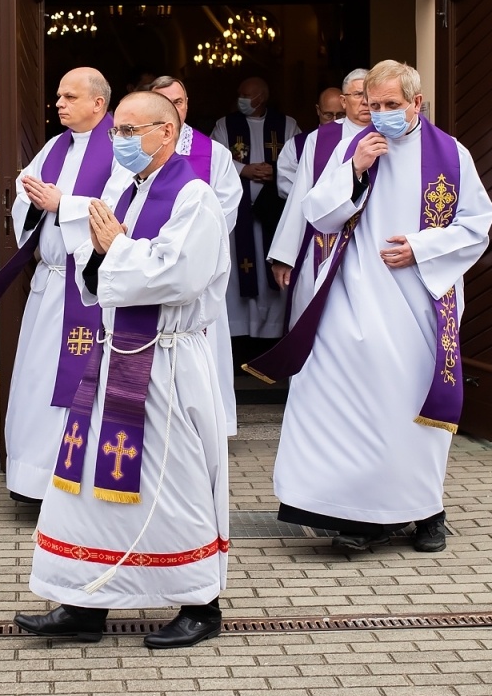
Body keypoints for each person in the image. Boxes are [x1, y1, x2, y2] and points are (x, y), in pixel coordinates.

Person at [15, 91, 231, 649]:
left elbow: (179, 276)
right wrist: (103, 250)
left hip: (168, 356)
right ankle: (85, 601)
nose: (121, 142)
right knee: (86, 479)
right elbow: (96, 262)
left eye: (132, 131)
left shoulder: (194, 196)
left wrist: (116, 248)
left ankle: (199, 601)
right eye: (118, 132)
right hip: (115, 353)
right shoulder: (125, 191)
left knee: (171, 478)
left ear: (167, 132)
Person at [268, 62, 492, 553]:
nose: (383, 115)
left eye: (394, 105)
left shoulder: (451, 155)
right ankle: (360, 514)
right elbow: (318, 213)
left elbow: (478, 224)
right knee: (351, 406)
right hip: (351, 295)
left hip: (418, 300)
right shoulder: (354, 148)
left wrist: (421, 247)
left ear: (417, 104)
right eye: (375, 106)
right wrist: (354, 170)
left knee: (412, 409)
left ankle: (427, 510)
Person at [0, 68, 116, 503]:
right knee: (35, 377)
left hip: (86, 288)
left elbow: (121, 206)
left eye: (70, 97)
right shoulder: (55, 147)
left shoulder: (119, 149)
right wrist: (31, 196)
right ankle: (32, 479)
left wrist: (61, 204)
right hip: (50, 284)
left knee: (75, 384)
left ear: (98, 104)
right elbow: (25, 191)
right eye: (58, 95)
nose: (59, 104)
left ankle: (72, 480)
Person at [148, 75, 241, 435]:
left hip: (196, 273)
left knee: (205, 348)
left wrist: (189, 250)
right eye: (165, 101)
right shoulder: (135, 147)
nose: (175, 108)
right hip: (147, 268)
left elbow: (226, 208)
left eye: (180, 101)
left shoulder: (213, 153)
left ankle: (210, 424)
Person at [268, 70, 370, 329]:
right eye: (359, 94)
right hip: (325, 243)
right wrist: (284, 256)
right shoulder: (320, 139)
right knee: (318, 321)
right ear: (344, 100)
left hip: (373, 244)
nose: (367, 101)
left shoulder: (393, 135)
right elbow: (299, 196)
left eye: (372, 94)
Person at [210, 77, 298, 357]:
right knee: (240, 273)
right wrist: (243, 170)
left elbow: (300, 160)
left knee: (272, 274)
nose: (241, 100)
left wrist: (276, 172)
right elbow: (215, 159)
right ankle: (241, 337)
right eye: (240, 95)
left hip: (275, 213)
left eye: (247, 95)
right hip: (241, 217)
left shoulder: (287, 125)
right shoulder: (226, 125)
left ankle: (271, 337)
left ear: (261, 97)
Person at [275, 86, 344, 198]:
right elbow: (286, 185)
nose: (334, 121)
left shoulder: (356, 140)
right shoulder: (296, 145)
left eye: (341, 115)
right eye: (328, 115)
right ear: (318, 110)